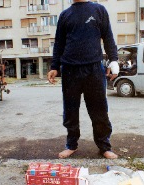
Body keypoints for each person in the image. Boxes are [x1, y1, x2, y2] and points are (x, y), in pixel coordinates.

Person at [47, 0, 119, 159]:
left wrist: (113, 60)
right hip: (69, 69)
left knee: (99, 110)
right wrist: (54, 66)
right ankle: (71, 145)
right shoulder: (65, 15)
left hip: (93, 68)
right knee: (70, 110)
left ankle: (104, 146)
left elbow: (108, 36)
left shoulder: (99, 10)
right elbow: (59, 43)